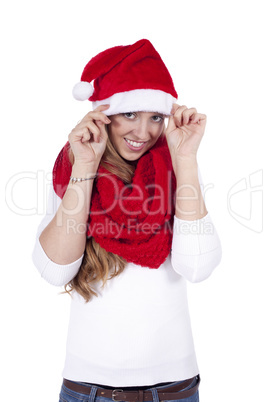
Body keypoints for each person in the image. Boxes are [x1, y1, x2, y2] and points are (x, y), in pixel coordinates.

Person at [32, 39, 222, 402]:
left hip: (174, 389)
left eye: (155, 117)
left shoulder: (175, 171)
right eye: (130, 114)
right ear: (103, 115)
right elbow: (54, 270)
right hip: (87, 389)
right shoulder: (71, 171)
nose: (143, 133)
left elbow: (197, 266)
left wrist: (186, 161)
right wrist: (86, 166)